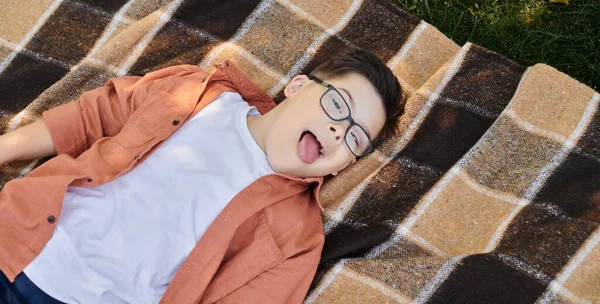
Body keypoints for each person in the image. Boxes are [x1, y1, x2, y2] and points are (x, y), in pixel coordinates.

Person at [0, 47, 405, 304]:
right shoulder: (199, 91)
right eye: (337, 104)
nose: (339, 130)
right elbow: (92, 117)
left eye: (355, 136)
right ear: (298, 86)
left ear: (344, 164)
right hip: (15, 238)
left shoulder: (297, 239)